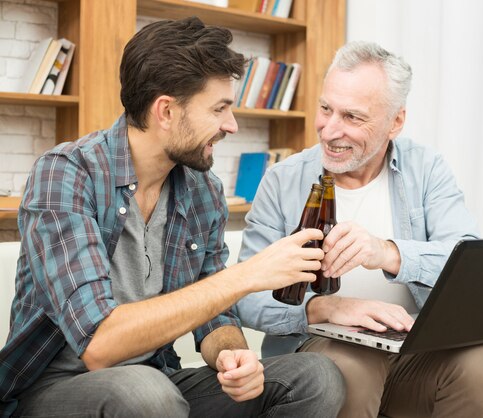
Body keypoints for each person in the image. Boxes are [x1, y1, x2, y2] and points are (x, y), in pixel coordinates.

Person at [0, 17, 346, 418]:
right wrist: (247, 275)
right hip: (54, 390)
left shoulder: (203, 189)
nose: (230, 125)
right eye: (219, 109)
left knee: (315, 376)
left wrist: (233, 357)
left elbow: (215, 313)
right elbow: (99, 343)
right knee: (143, 393)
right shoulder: (65, 174)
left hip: (159, 382)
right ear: (165, 111)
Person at [234, 41, 483, 418]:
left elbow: (469, 261)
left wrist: (388, 252)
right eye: (326, 109)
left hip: (413, 352)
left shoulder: (426, 169)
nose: (330, 130)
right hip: (323, 348)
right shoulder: (283, 181)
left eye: (352, 117)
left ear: (395, 121)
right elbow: (246, 297)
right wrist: (327, 307)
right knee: (350, 370)